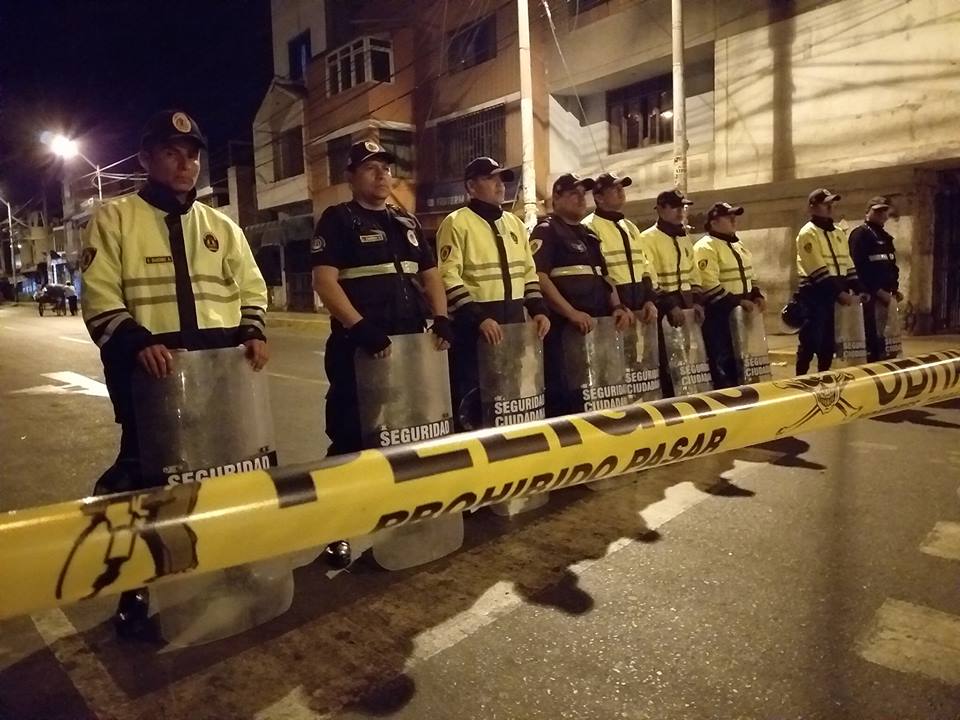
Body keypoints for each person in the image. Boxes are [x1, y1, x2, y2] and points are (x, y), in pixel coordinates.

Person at [81, 109, 270, 639]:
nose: (185, 164)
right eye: (171, 153)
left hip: (220, 375)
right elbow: (99, 297)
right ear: (146, 158)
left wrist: (254, 330)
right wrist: (139, 343)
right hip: (151, 378)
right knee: (149, 483)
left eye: (192, 155)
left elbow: (252, 288)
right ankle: (136, 583)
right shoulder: (115, 218)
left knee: (227, 474)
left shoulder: (220, 226)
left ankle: (232, 564)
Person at [312, 140, 453, 564]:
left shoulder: (405, 220)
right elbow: (324, 281)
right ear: (351, 176)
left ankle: (405, 517)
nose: (381, 175)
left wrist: (441, 316)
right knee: (350, 439)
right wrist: (359, 327)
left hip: (409, 349)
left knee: (407, 434)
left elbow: (431, 274)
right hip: (359, 350)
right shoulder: (338, 219)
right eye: (370, 168)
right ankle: (336, 530)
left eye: (386, 168)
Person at [436, 157, 550, 426]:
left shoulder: (514, 223)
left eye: (502, 179)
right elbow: (448, 276)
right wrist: (479, 318)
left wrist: (538, 309)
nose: (500, 185)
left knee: (510, 394)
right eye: (491, 178)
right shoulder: (456, 223)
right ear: (471, 187)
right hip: (474, 330)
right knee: (474, 400)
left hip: (513, 327)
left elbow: (528, 272)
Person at [532, 173, 633, 416]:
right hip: (564, 331)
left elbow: (605, 277)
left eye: (582, 194)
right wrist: (571, 313)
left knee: (596, 396)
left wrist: (617, 307)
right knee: (568, 398)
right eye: (573, 194)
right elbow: (540, 277)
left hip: (595, 332)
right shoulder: (547, 231)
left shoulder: (589, 235)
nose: (580, 199)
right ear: (556, 199)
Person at [637, 189, 704, 396]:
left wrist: (697, 301)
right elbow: (649, 276)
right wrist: (669, 304)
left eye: (682, 207)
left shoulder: (683, 238)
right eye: (675, 207)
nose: (680, 211)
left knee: (684, 358)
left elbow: (693, 272)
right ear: (660, 209)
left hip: (685, 307)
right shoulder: (647, 239)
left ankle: (683, 397)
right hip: (662, 309)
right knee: (663, 360)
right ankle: (666, 401)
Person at [693, 202, 766, 388]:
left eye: (734, 216)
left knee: (741, 357)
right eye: (728, 217)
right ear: (714, 222)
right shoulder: (706, 247)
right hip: (720, 315)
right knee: (722, 360)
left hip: (741, 315)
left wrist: (756, 294)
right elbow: (709, 284)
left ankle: (742, 392)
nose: (734, 220)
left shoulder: (738, 244)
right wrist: (738, 302)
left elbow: (751, 275)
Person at [794, 188, 864, 374]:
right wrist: (840, 293)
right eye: (825, 204)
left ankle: (823, 376)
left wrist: (858, 287)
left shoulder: (838, 233)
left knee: (828, 342)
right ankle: (799, 379)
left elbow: (847, 261)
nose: (831, 207)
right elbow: (816, 268)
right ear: (812, 207)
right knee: (810, 340)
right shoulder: (808, 233)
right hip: (814, 295)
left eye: (832, 203)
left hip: (835, 295)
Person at [582, 172, 658, 323]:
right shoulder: (588, 227)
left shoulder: (630, 227)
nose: (620, 191)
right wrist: (616, 305)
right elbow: (597, 274)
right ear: (599, 198)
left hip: (639, 305)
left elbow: (645, 266)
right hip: (611, 309)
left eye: (621, 187)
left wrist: (649, 299)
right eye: (614, 188)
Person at [849, 196, 901, 361]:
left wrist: (894, 289)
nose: (881, 214)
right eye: (877, 211)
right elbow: (859, 268)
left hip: (887, 296)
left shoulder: (885, 237)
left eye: (884, 211)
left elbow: (891, 265)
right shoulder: (860, 235)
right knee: (873, 340)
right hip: (871, 297)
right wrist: (877, 291)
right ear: (867, 212)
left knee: (887, 340)